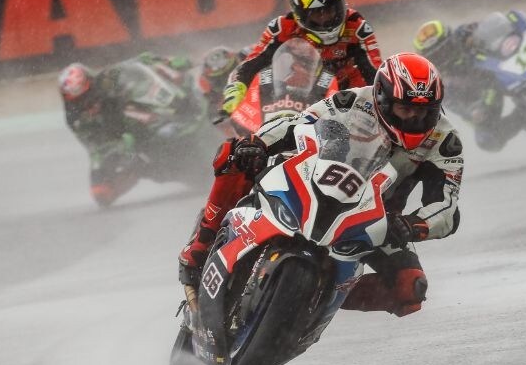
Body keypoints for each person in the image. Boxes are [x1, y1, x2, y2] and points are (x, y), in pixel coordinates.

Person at [179, 52, 463, 317]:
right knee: (234, 154)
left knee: (410, 289)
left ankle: (319, 298)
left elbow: (446, 207)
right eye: (405, 109)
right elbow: (299, 122)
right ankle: (201, 245)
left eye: (424, 112)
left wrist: (413, 225)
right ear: (383, 99)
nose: (415, 118)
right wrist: (258, 142)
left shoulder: (444, 140)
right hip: (315, 184)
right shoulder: (352, 102)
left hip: (375, 221)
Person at [412, 8, 526, 151]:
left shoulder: (464, 33)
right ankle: (525, 115)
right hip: (487, 93)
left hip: (501, 63)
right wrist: (477, 111)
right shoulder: (440, 85)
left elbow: (499, 27)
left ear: (451, 38)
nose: (445, 55)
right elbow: (464, 110)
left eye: (446, 47)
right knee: (487, 139)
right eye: (438, 54)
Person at [218, 0, 383, 117]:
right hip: (299, 98)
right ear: (299, 13)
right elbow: (250, 64)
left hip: (347, 96)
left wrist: (378, 102)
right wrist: (236, 90)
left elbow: (374, 72)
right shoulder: (281, 27)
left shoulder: (358, 27)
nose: (325, 19)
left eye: (330, 10)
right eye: (317, 14)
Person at [58, 52, 194, 203]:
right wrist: (125, 154)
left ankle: (182, 109)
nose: (84, 103)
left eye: (86, 95)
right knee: (100, 193)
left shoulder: (108, 77)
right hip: (126, 140)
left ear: (91, 81)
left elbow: (141, 60)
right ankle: (166, 166)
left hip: (150, 106)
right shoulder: (76, 119)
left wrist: (169, 61)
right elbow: (95, 148)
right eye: (77, 100)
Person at [197, 45, 249, 121]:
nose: (230, 78)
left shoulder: (248, 54)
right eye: (220, 79)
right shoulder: (217, 106)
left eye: (232, 69)